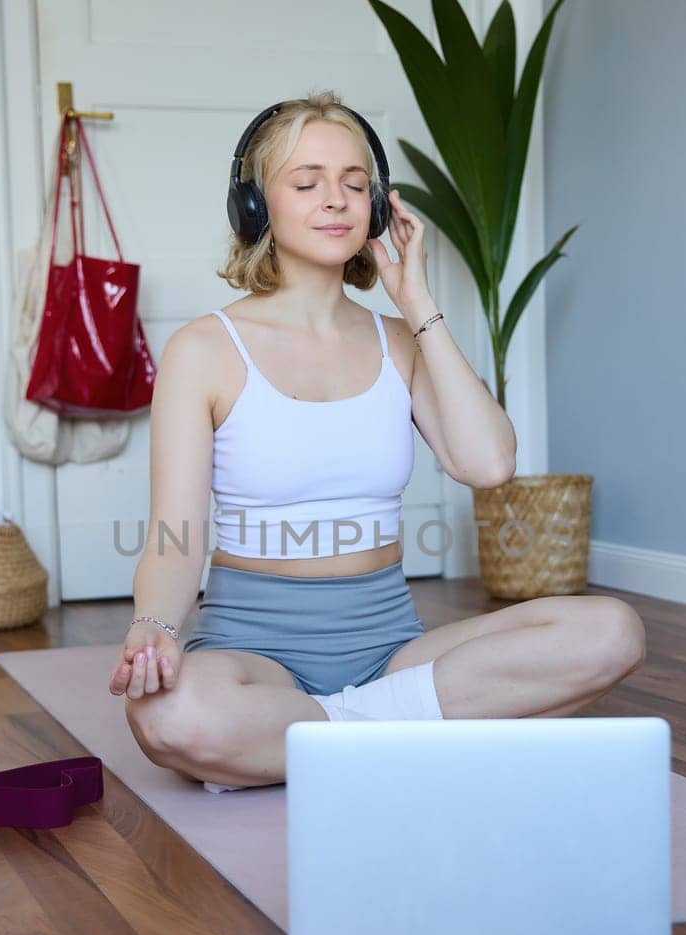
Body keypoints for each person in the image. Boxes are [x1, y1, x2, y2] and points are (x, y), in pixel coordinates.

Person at [106, 89, 646, 790]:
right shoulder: (204, 349)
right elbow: (175, 533)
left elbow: (487, 462)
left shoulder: (400, 342)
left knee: (612, 632)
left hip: (391, 649)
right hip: (253, 653)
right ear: (254, 205)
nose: (336, 199)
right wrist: (156, 624)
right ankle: (395, 727)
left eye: (355, 184)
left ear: (378, 204)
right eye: (307, 182)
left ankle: (321, 734)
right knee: (169, 715)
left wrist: (416, 302)